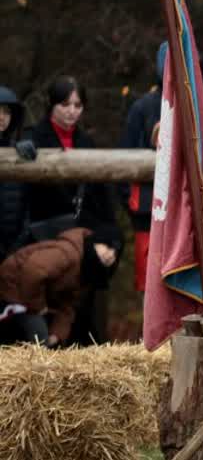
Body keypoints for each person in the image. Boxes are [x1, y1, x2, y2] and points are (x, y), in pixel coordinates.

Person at [17, 77, 120, 344]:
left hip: (83, 235)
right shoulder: (32, 138)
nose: (72, 111)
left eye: (78, 105)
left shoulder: (87, 142)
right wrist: (20, 148)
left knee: (90, 286)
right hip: (42, 237)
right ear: (52, 105)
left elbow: (102, 203)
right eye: (65, 104)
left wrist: (110, 242)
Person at [0, 227, 117, 345]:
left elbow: (68, 307)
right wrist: (39, 307)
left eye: (115, 253)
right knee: (37, 339)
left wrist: (57, 335)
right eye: (108, 246)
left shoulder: (87, 274)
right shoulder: (68, 253)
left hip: (31, 301)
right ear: (96, 242)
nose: (111, 254)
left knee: (44, 342)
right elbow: (33, 271)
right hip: (12, 288)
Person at [119, 42, 168, 290]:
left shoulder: (202, 108)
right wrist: (132, 202)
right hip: (147, 213)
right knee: (151, 286)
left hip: (189, 215)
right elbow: (124, 162)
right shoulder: (143, 108)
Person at [0, 85, 25, 253]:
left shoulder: (18, 151)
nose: (1, 117)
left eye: (7, 112)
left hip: (12, 247)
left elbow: (27, 205)